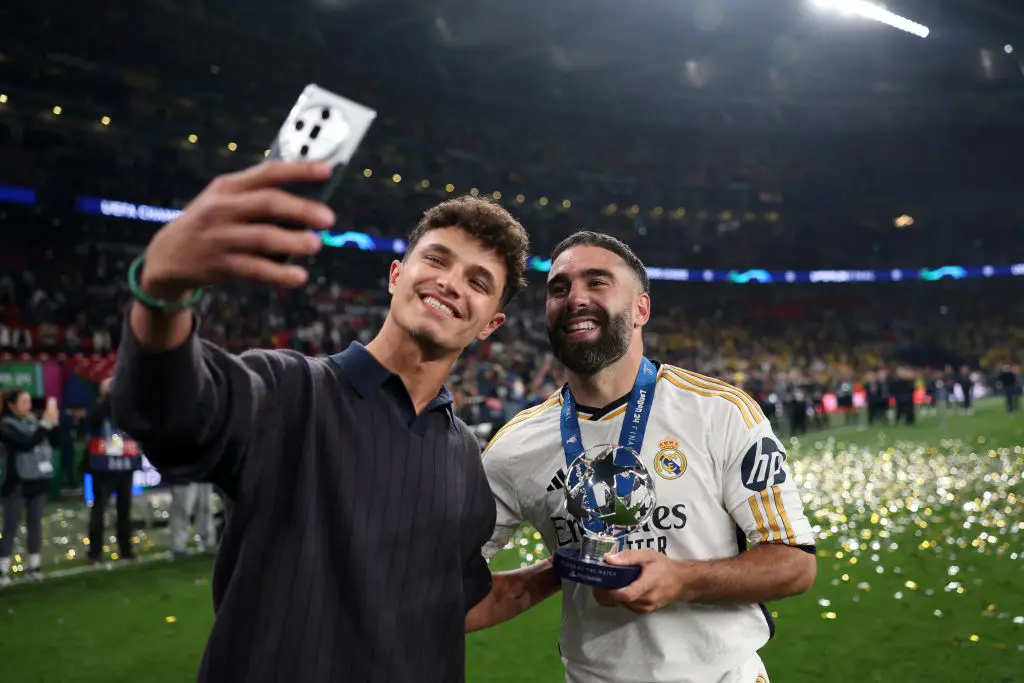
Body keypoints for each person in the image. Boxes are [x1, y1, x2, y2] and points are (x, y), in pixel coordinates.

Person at [110, 160, 551, 683]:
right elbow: (171, 411)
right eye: (436, 259)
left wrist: (564, 568)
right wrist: (163, 292)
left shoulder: (463, 458)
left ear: (490, 325)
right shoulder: (288, 391)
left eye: (478, 281)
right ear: (395, 275)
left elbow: (454, 604)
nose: (451, 283)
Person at [478, 232, 818, 683]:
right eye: (559, 288)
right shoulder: (515, 448)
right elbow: (450, 593)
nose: (574, 297)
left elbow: (795, 562)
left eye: (597, 282)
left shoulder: (719, 411)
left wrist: (682, 579)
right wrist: (561, 568)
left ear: (641, 309)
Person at [0, 389, 60, 584]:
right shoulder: (5, 425)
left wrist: (54, 423)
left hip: (39, 480)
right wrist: (45, 424)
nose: (28, 405)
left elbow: (55, 441)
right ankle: (2, 570)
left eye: (29, 400)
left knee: (35, 523)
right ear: (11, 405)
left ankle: (34, 566)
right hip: (17, 483)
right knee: (11, 526)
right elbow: (26, 442)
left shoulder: (34, 421)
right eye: (23, 401)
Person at [85, 377, 137, 563]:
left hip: (125, 464)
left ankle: (126, 550)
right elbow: (94, 419)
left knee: (125, 510)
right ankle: (95, 552)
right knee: (100, 509)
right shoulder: (98, 406)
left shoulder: (129, 406)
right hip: (104, 467)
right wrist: (108, 398)